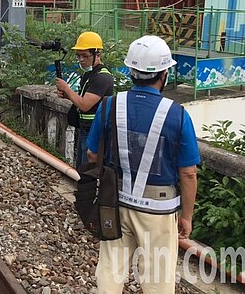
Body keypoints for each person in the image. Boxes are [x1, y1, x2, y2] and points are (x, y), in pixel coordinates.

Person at [86, 35, 200, 294]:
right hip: (158, 210)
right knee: (157, 278)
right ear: (164, 74)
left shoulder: (110, 105)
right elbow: (189, 173)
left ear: (131, 71)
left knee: (111, 268)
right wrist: (187, 216)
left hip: (115, 200)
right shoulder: (177, 114)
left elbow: (92, 154)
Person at [55, 31, 114, 168]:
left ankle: (88, 189)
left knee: (88, 170)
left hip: (94, 130)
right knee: (81, 167)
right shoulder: (89, 74)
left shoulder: (102, 77)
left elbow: (85, 105)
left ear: (97, 55)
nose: (81, 59)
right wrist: (68, 95)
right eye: (78, 55)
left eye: (85, 56)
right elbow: (82, 100)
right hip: (85, 128)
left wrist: (67, 89)